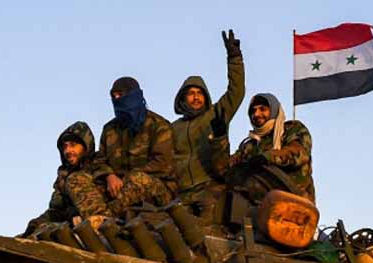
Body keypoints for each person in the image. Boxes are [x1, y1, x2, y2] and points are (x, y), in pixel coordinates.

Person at [66, 77, 177, 218]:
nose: (117, 99)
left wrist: (124, 179)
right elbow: (100, 160)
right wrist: (109, 176)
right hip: (116, 188)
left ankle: (107, 217)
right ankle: (99, 219)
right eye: (114, 96)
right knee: (76, 178)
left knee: (138, 179)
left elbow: (162, 165)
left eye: (121, 95)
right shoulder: (110, 129)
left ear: (133, 96)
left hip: (157, 188)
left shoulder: (159, 126)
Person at [171, 30, 245, 222]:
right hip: (181, 192)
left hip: (210, 187)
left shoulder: (215, 114)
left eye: (200, 93)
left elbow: (236, 92)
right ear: (183, 97)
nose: (196, 97)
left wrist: (234, 58)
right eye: (191, 93)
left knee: (208, 234)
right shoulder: (172, 128)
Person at [224, 93, 315, 203]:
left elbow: (298, 153)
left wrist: (267, 157)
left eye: (262, 109)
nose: (257, 114)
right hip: (257, 203)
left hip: (293, 199)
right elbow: (225, 167)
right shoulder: (250, 145)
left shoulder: (291, 129)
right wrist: (219, 139)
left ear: (273, 110)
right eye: (253, 111)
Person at [25, 121, 98, 235]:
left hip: (98, 225)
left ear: (85, 146)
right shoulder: (64, 175)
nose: (67, 151)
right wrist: (35, 224)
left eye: (73, 145)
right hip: (72, 225)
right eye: (64, 147)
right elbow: (56, 210)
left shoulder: (99, 165)